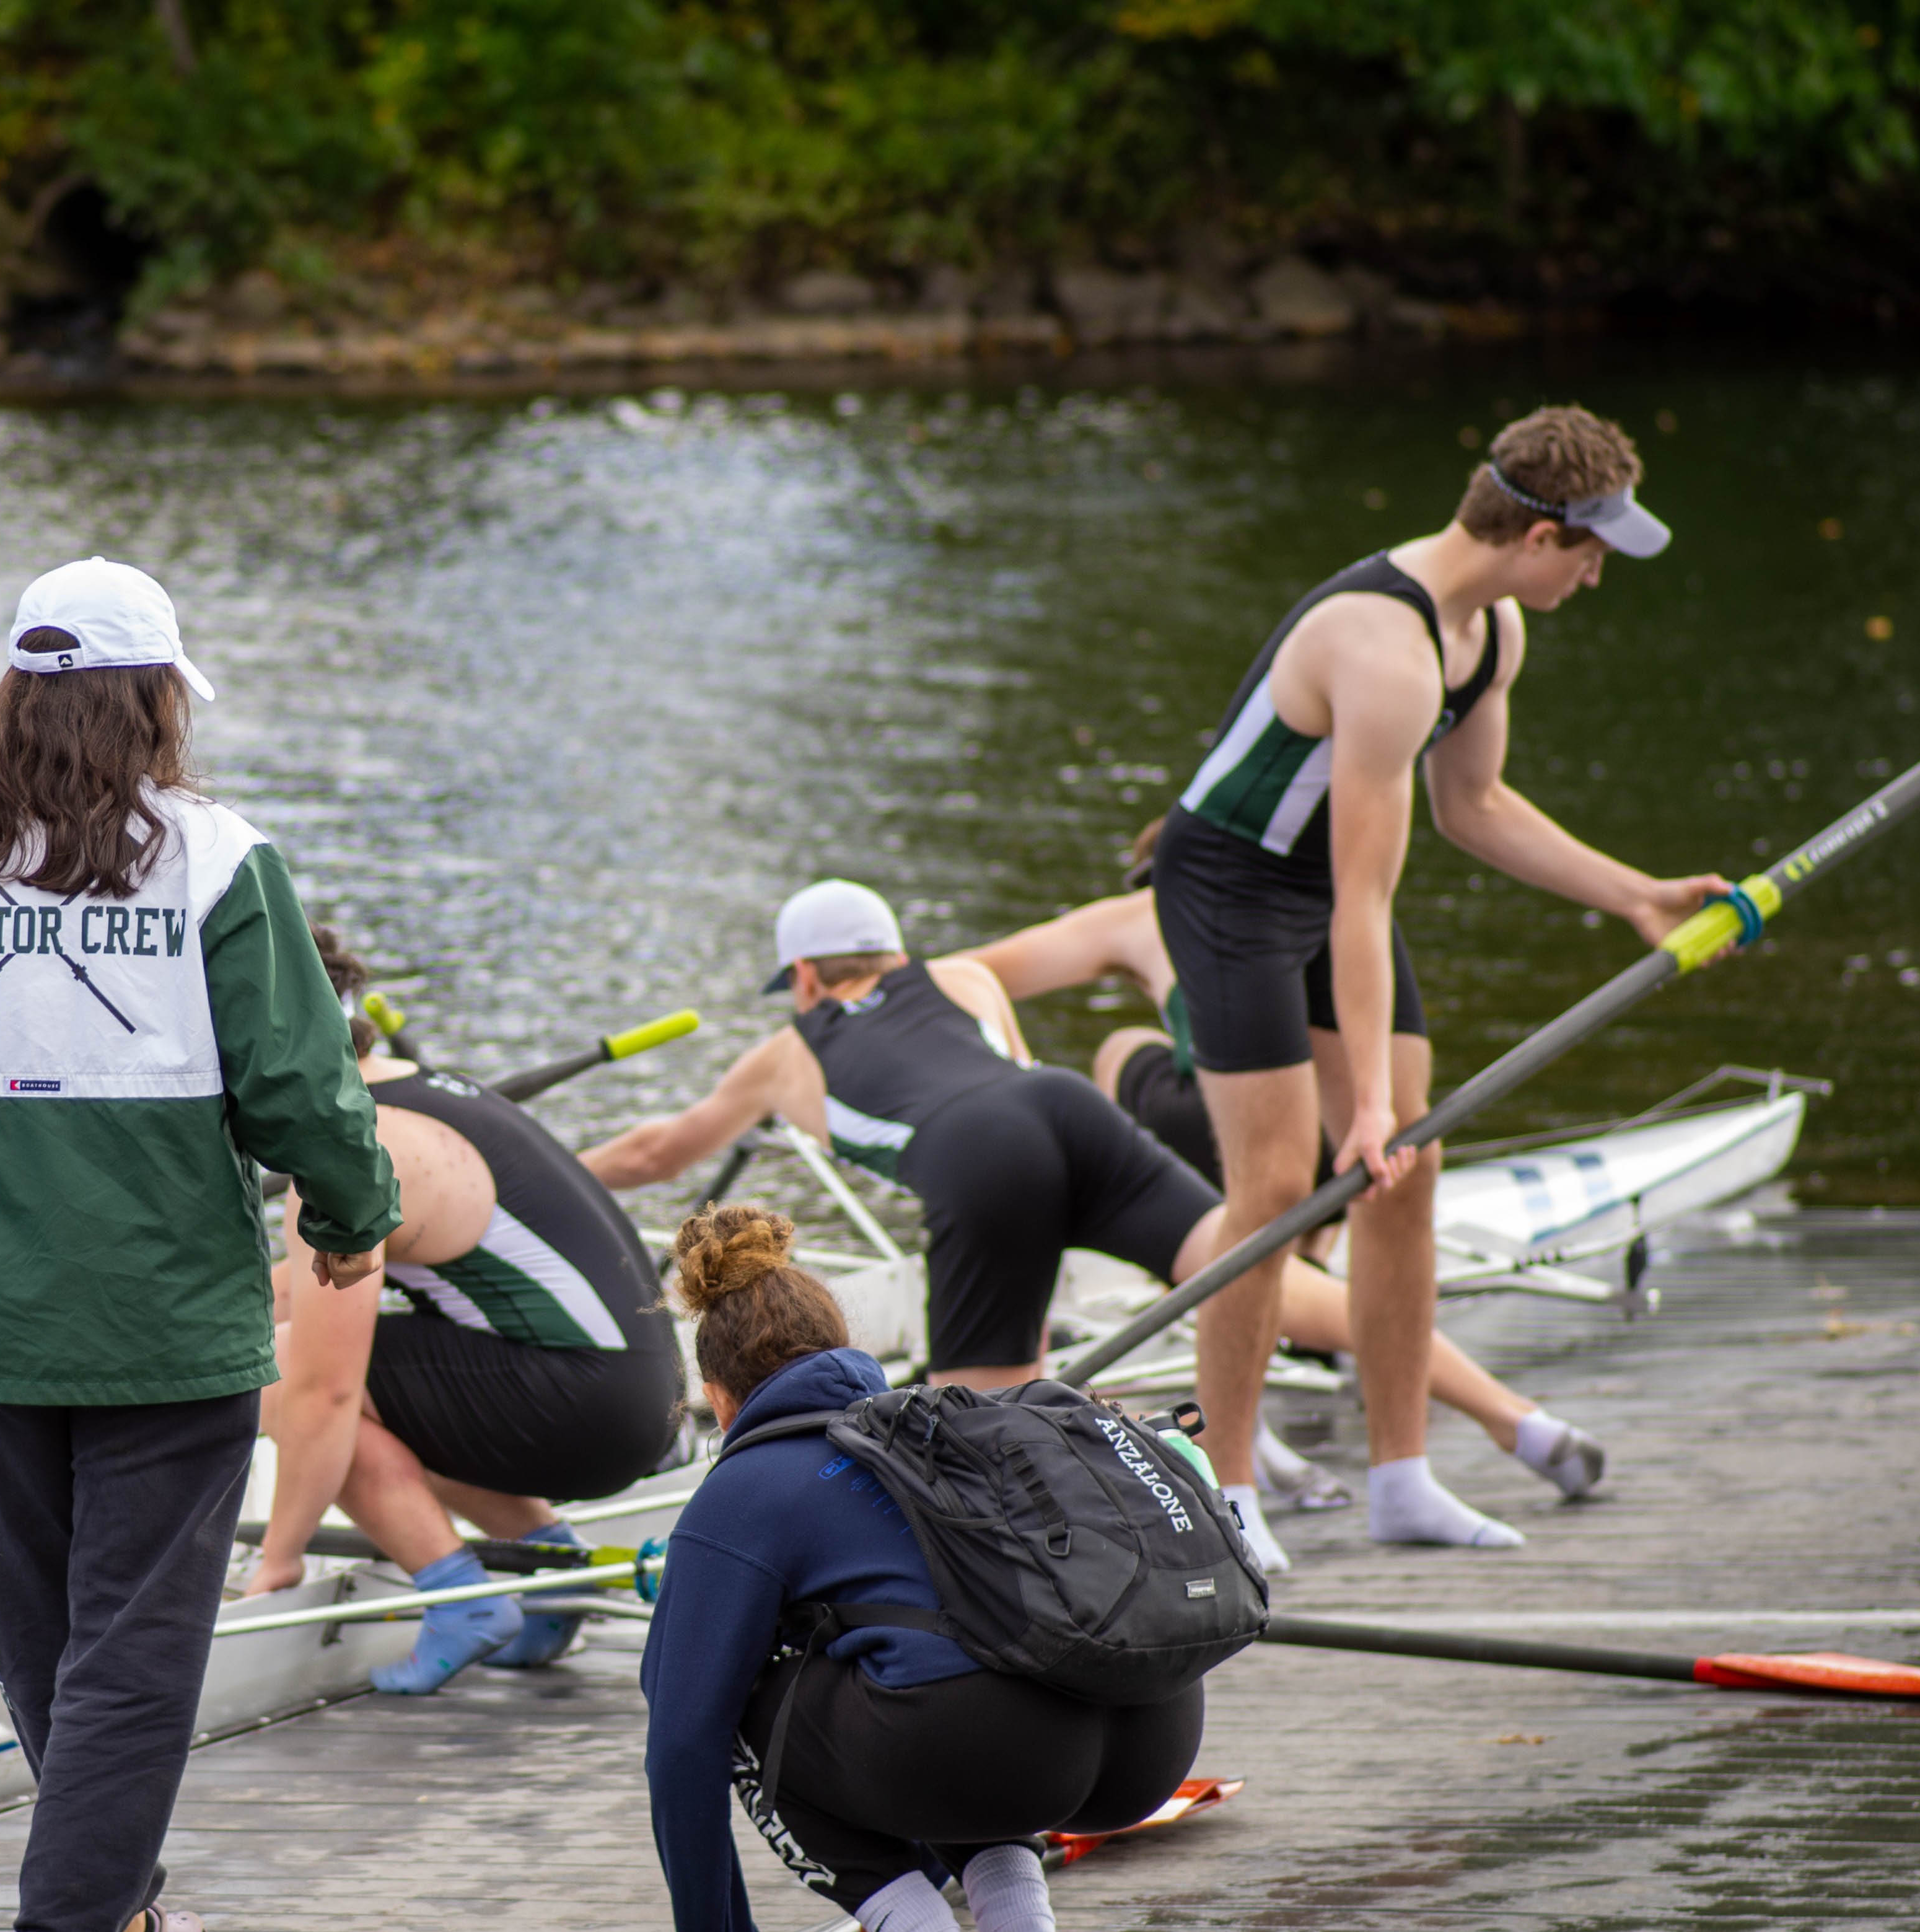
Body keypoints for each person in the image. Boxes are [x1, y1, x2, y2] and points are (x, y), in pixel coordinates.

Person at [0, 558, 401, 1932]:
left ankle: (118, 1928)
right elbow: (299, 1083)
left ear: (11, 697)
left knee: (43, 1637)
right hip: (165, 1323)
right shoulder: (217, 858)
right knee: (133, 1646)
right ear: (153, 702)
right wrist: (350, 1212)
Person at [1155, 405, 1725, 1571]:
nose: (1597, 573)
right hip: (1228, 889)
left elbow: (1475, 809)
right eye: (1589, 548)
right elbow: (1361, 900)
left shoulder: (1490, 631)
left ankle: (1400, 1478)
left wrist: (1631, 894)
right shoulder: (1382, 649)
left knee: (1407, 1173)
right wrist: (1357, 1104)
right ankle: (1225, 1488)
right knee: (1274, 1185)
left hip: (1321, 890)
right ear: (1530, 532)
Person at [583, 879, 1529, 1560]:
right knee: (1253, 1268)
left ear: (802, 976)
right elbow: (1026, 1109)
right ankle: (1509, 1421)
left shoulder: (784, 1052)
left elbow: (655, 1154)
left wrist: (540, 1169)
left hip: (978, 1155)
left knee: (983, 1434)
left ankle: (1146, 1524)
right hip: (1067, 1108)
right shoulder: (963, 980)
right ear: (894, 955)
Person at [642, 1205, 1198, 1932]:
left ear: (721, 1401)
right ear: (850, 1356)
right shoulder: (960, 1422)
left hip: (989, 1749)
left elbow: (681, 1741)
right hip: (1153, 1730)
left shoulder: (743, 1490)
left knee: (743, 1703)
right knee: (943, 1662)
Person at [958, 863, 1608, 1505]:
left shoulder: (1151, 909)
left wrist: (1016, 1067)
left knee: (1125, 1051)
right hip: (1352, 1121)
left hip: (1239, 1124)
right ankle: (1496, 1413)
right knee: (1302, 1271)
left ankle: (1482, 1414)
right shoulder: (1328, 889)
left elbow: (962, 975)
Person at [253, 926, 687, 1693]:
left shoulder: (344, 1153)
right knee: (340, 1361)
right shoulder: (421, 1088)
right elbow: (292, 1287)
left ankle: (457, 1599)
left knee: (290, 1372)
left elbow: (321, 1390)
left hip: (586, 1405)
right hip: (640, 1399)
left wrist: (278, 1559)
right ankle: (550, 1572)